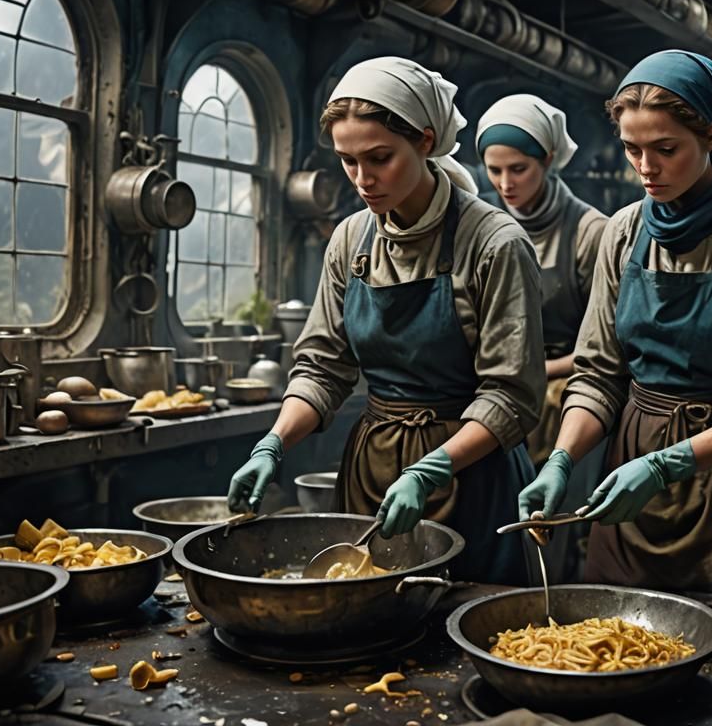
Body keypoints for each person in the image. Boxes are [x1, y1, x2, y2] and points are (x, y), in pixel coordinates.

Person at [225, 57, 545, 586]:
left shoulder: (494, 243)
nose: (362, 179)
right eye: (348, 161)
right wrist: (274, 443)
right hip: (372, 470)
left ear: (425, 141)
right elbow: (324, 367)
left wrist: (431, 468)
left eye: (379, 158)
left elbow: (511, 396)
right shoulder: (352, 239)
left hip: (470, 473)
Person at [518, 50, 712, 600]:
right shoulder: (624, 230)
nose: (646, 168)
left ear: (711, 133)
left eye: (665, 149)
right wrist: (562, 458)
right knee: (616, 642)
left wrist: (667, 465)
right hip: (628, 474)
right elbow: (599, 373)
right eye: (632, 149)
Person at [476, 95, 608, 579]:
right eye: (494, 170)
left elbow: (605, 350)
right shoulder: (479, 226)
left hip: (563, 395)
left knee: (549, 526)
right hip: (490, 390)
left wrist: (532, 373)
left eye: (519, 168)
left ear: (548, 161)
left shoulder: (590, 232)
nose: (505, 184)